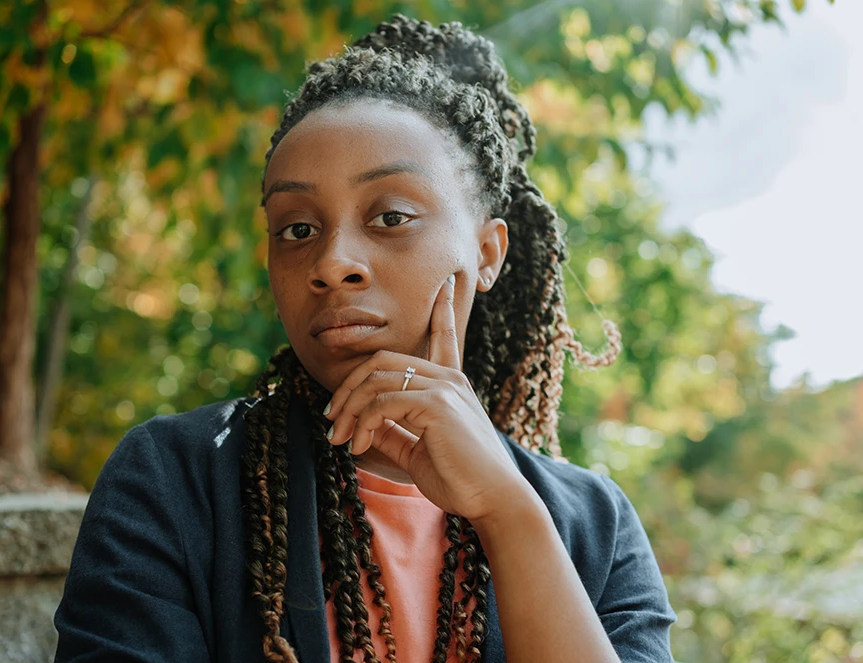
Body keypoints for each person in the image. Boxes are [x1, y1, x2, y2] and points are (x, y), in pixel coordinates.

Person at [53, 15, 676, 663]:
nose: (331, 262)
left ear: (487, 252)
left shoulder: (594, 526)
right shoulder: (174, 479)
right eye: (297, 228)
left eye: (390, 216)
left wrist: (509, 517)